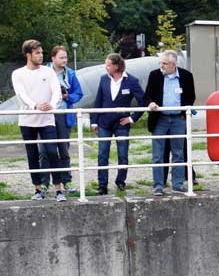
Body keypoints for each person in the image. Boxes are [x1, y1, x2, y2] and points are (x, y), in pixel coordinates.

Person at [11, 39, 66, 201]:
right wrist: (35, 105)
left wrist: (52, 105)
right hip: (27, 120)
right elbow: (21, 94)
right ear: (29, 55)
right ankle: (38, 189)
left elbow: (56, 91)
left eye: (42, 52)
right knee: (32, 155)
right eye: (37, 53)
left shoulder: (48, 72)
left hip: (47, 119)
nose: (41, 56)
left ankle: (58, 189)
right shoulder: (18, 74)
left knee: (51, 152)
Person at [91, 53, 145, 195]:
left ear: (116, 66)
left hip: (122, 123)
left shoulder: (132, 81)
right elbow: (98, 101)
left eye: (108, 64)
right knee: (102, 154)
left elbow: (143, 100)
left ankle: (120, 181)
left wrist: (133, 118)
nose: (106, 67)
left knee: (123, 153)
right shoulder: (103, 79)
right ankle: (102, 185)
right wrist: (94, 122)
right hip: (104, 123)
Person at [144, 50, 196, 196]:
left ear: (173, 64)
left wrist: (184, 112)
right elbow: (147, 95)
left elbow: (191, 96)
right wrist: (151, 103)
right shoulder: (155, 75)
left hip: (178, 119)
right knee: (157, 154)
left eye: (165, 63)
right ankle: (158, 185)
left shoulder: (186, 76)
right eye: (161, 62)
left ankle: (178, 184)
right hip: (160, 119)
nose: (162, 66)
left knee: (179, 152)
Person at [39, 45, 83, 194]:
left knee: (63, 150)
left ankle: (67, 181)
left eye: (66, 57)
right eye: (61, 57)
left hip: (63, 115)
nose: (64, 60)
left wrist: (67, 96)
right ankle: (44, 183)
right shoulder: (42, 72)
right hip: (46, 116)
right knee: (44, 151)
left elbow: (79, 93)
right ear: (53, 58)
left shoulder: (70, 73)